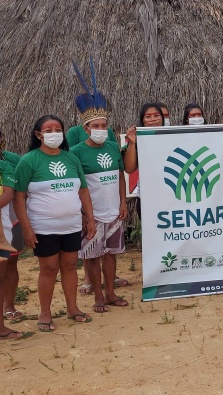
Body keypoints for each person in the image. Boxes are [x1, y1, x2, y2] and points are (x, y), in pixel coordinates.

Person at [14, 115, 96, 331]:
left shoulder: (71, 159)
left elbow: (83, 191)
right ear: (38, 135)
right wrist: (27, 229)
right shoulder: (28, 161)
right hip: (44, 227)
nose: (54, 134)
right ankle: (45, 313)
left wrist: (90, 219)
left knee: (70, 266)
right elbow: (19, 197)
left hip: (71, 225)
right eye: (48, 130)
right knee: (48, 268)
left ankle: (72, 308)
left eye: (58, 129)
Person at [71, 60, 128, 313]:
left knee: (110, 254)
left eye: (104, 126)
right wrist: (85, 215)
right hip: (92, 215)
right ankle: (97, 297)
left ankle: (111, 292)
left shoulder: (113, 146)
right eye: (96, 126)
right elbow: (77, 188)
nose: (101, 130)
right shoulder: (76, 152)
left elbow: (120, 175)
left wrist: (124, 202)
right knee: (92, 256)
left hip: (114, 210)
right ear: (86, 129)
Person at [123, 103, 165, 219]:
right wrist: (132, 143)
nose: (153, 119)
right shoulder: (138, 140)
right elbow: (130, 169)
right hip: (147, 198)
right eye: (148, 116)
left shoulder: (172, 138)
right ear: (142, 120)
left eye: (156, 115)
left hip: (170, 196)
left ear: (162, 118)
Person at [1, 131, 25, 320]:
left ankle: (8, 306)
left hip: (12, 221)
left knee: (10, 265)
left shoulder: (12, 160)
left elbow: (19, 191)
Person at [0, 155, 22, 339]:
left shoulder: (6, 164)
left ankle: (4, 317)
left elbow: (9, 194)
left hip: (6, 227)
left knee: (4, 272)